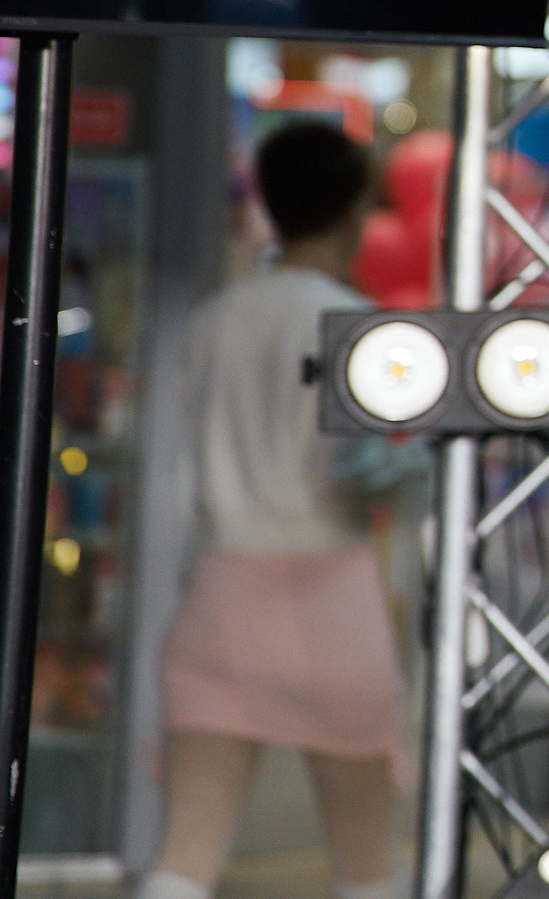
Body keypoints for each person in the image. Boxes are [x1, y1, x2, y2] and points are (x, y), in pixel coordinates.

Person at [138, 123, 407, 899]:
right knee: (367, 862)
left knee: (184, 857)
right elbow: (365, 474)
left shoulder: (214, 316)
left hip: (221, 593)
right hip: (333, 599)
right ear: (355, 208)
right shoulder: (355, 322)